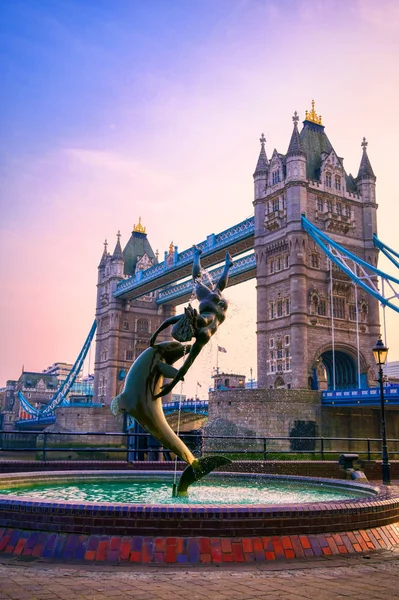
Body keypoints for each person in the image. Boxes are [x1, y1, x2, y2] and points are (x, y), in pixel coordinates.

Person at [150, 246, 233, 398]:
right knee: (200, 283)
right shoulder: (201, 330)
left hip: (216, 307)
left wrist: (172, 385)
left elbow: (186, 365)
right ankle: (199, 256)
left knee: (214, 286)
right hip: (211, 305)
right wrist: (154, 336)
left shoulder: (203, 337)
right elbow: (170, 321)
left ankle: (225, 265)